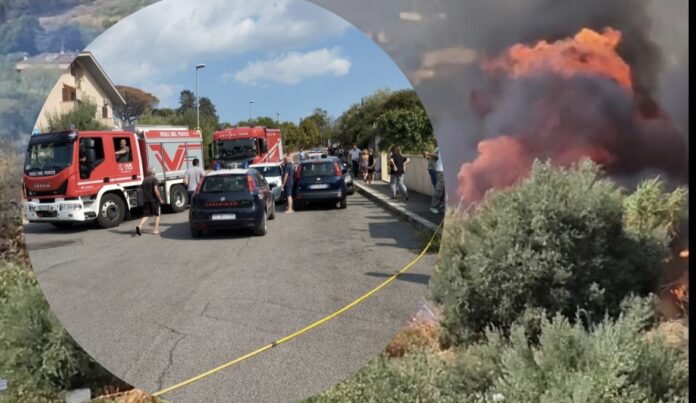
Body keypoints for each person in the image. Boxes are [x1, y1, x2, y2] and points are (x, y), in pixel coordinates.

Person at [136, 167, 164, 236]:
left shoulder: (144, 180)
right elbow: (155, 190)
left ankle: (139, 226)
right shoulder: (154, 179)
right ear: (154, 173)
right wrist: (160, 199)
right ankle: (155, 230)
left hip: (146, 200)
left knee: (146, 215)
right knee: (157, 214)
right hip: (154, 200)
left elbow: (142, 189)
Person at [426, 147, 445, 214]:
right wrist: (428, 155)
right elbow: (438, 157)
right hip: (441, 171)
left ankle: (443, 207)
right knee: (439, 190)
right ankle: (433, 207)